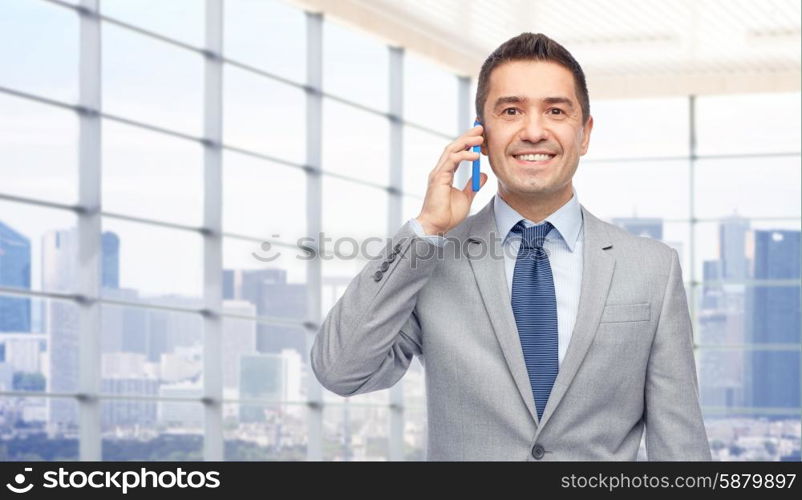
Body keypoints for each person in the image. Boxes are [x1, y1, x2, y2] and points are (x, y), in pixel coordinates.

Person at [311, 32, 711, 461]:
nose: (534, 131)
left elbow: (681, 448)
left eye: (556, 111)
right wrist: (426, 229)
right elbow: (340, 371)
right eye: (511, 111)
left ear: (585, 133)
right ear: (481, 134)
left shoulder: (653, 269)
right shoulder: (431, 259)